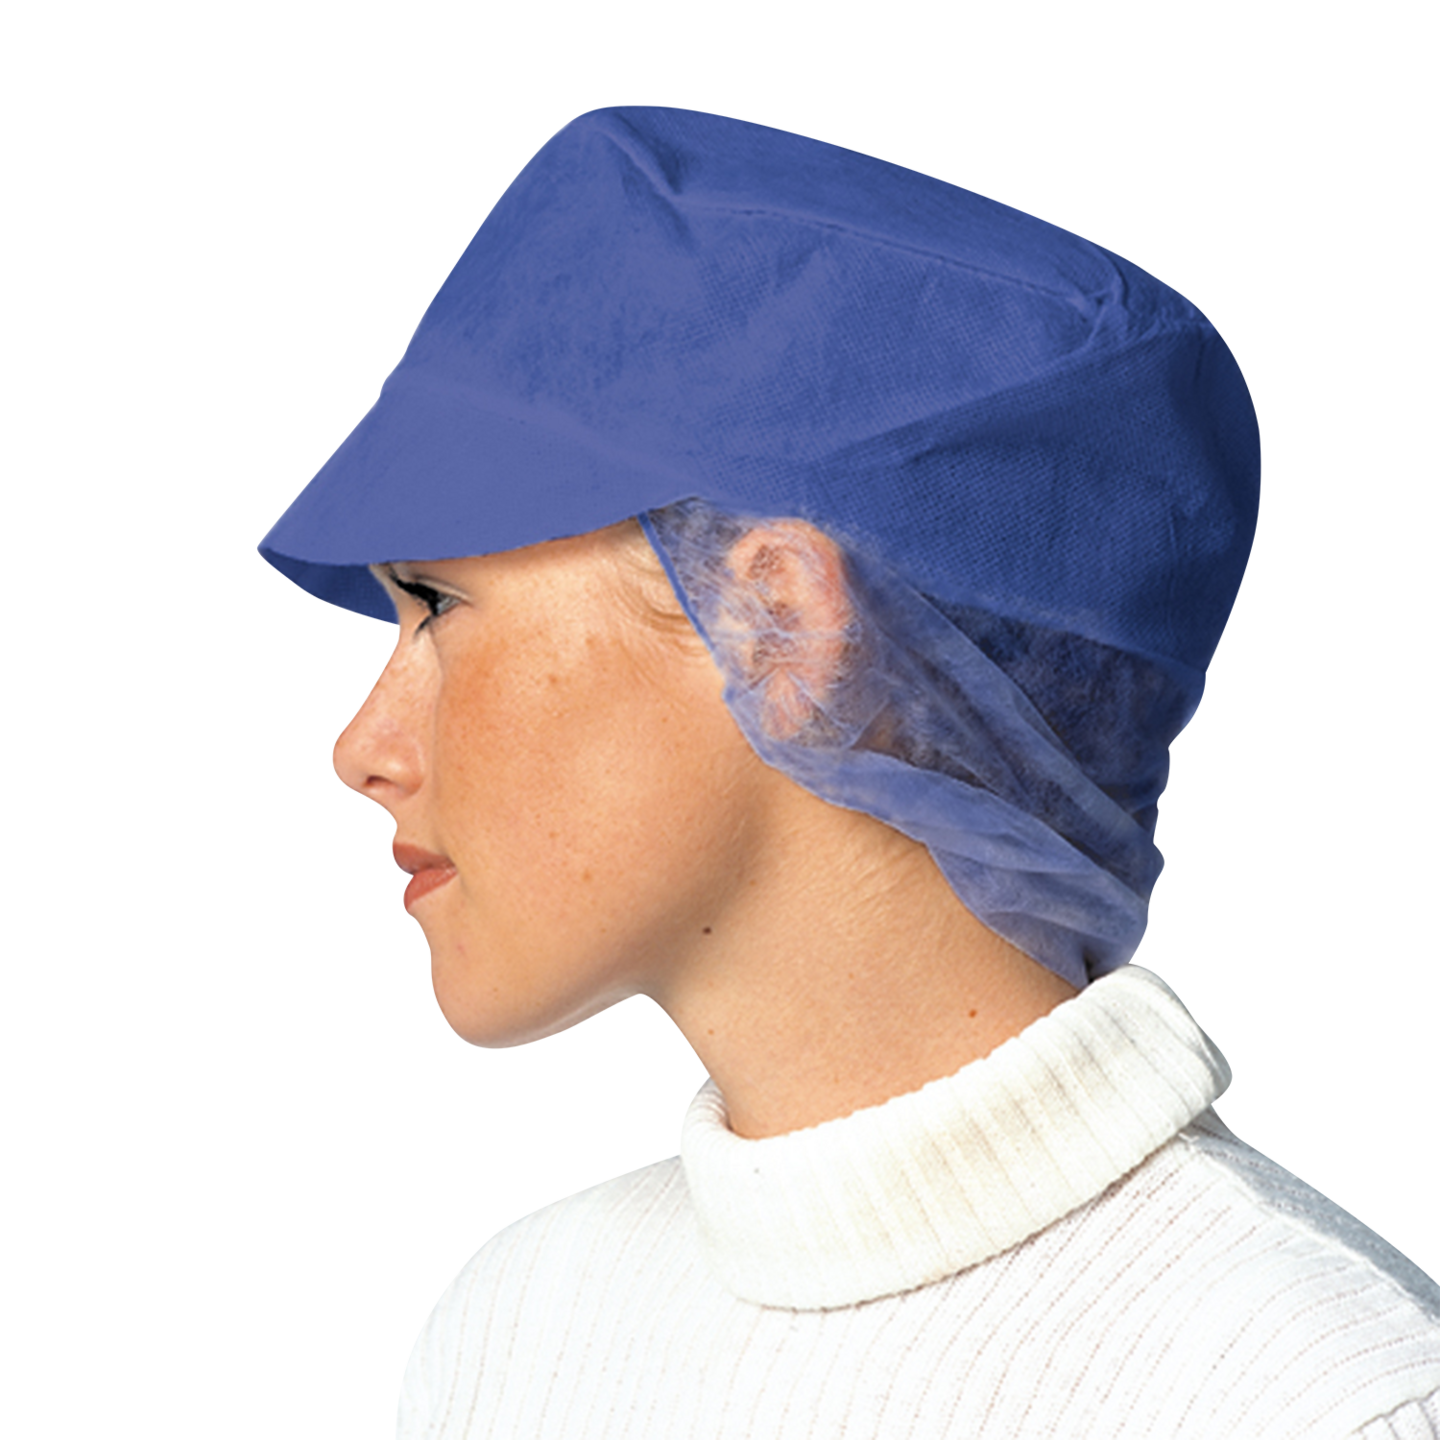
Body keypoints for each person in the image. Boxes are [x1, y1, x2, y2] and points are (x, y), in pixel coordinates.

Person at [257, 106, 1438, 1437]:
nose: (359, 749)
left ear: (783, 626)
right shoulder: (514, 1328)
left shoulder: (1324, 1402)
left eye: (435, 605)